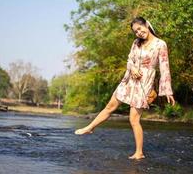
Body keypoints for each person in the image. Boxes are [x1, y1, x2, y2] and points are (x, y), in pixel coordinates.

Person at [74, 17, 175, 160]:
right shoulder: (136, 43)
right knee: (110, 106)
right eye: (136, 31)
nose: (139, 33)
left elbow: (164, 67)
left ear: (147, 25)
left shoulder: (160, 44)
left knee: (133, 119)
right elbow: (129, 60)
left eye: (140, 28)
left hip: (144, 83)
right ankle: (90, 128)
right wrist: (133, 67)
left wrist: (167, 90)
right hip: (129, 80)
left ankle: (139, 152)